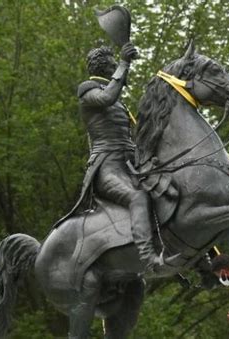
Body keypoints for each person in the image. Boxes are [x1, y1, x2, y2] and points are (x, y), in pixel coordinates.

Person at [54, 42, 177, 274]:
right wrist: (124, 62)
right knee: (138, 197)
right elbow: (107, 98)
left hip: (129, 163)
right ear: (104, 67)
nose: (115, 66)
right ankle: (149, 258)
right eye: (112, 63)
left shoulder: (117, 100)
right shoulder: (88, 90)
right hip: (107, 168)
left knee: (169, 186)